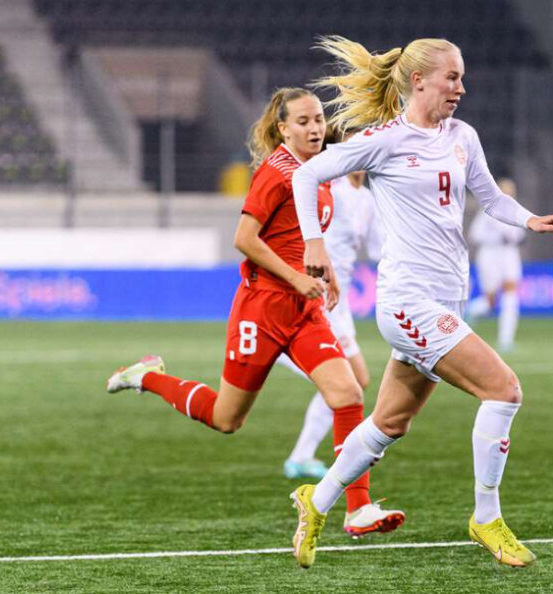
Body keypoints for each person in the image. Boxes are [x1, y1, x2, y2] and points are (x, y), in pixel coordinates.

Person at [287, 36, 553, 568]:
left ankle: (317, 498)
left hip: (447, 301)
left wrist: (530, 218)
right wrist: (314, 242)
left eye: (462, 78)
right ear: (418, 80)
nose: (461, 88)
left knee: (389, 424)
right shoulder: (385, 140)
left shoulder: (462, 135)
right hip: (408, 303)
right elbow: (306, 173)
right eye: (452, 78)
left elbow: (488, 196)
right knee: (504, 390)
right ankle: (487, 517)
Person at [105, 87, 404, 538]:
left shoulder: (320, 174)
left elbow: (306, 238)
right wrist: (296, 276)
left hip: (304, 309)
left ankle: (357, 508)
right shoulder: (275, 171)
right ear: (283, 128)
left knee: (347, 394)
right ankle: (146, 376)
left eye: (318, 119)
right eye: (302, 121)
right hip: (262, 309)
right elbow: (244, 238)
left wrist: (327, 274)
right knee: (228, 419)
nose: (314, 127)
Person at [278, 158, 383, 485]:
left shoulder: (367, 198)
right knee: (347, 378)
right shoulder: (329, 190)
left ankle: (300, 456)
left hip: (341, 300)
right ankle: (280, 352)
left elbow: (381, 250)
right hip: (319, 293)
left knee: (356, 379)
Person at [465, 177, 526, 351]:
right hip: (490, 255)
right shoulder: (487, 210)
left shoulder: (516, 210)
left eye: (511, 190)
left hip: (509, 255)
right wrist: (497, 238)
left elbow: (520, 234)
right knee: (490, 301)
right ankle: (471, 311)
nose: (509, 193)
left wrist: (516, 237)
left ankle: (506, 340)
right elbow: (474, 235)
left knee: (510, 294)